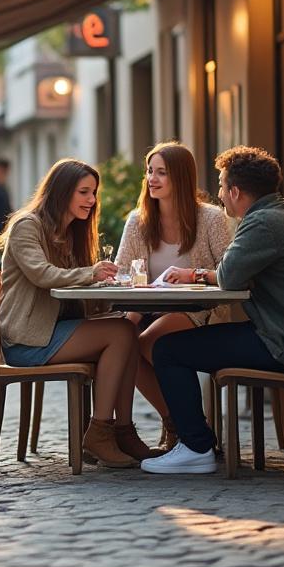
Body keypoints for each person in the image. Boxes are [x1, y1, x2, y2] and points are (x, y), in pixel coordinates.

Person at [142, 146, 284, 475]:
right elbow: (229, 272)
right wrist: (202, 274)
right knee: (175, 345)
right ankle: (196, 443)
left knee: (167, 349)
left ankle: (195, 447)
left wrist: (209, 273)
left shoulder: (262, 223)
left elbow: (229, 276)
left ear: (235, 192)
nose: (219, 194)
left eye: (221, 186)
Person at [0, 158, 147, 467]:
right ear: (62, 192)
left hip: (53, 331)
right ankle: (101, 433)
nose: (92, 201)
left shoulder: (69, 233)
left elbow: (73, 288)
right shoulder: (28, 225)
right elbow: (42, 274)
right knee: (120, 333)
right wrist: (91, 274)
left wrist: (109, 287)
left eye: (93, 193)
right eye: (84, 192)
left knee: (126, 328)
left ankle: (122, 431)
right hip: (28, 342)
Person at [114, 141, 233, 452]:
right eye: (150, 171)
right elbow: (123, 274)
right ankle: (176, 422)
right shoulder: (137, 220)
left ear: (180, 177)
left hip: (200, 309)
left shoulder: (210, 218)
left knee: (146, 342)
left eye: (161, 173)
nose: (152, 179)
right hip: (149, 308)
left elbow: (229, 269)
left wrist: (195, 276)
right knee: (124, 345)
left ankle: (185, 426)